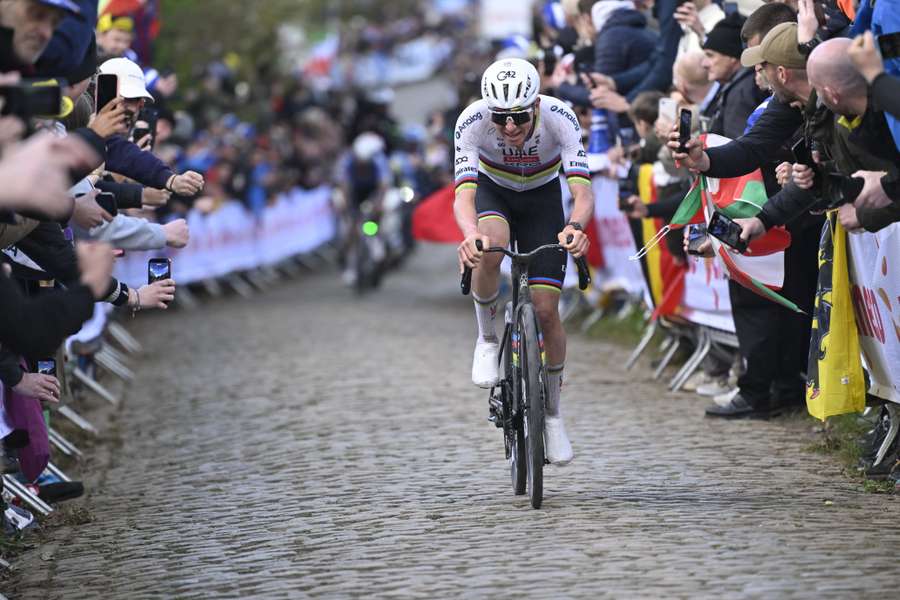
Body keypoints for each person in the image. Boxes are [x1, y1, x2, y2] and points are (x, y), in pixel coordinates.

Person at [454, 58, 592, 464]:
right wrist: (470, 235)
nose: (510, 127)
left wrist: (576, 226)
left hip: (543, 197)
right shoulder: (471, 122)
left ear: (535, 106)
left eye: (518, 117)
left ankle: (552, 416)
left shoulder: (560, 117)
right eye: (500, 118)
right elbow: (463, 197)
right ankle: (487, 338)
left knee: (547, 312)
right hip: (494, 192)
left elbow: (582, 192)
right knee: (490, 244)